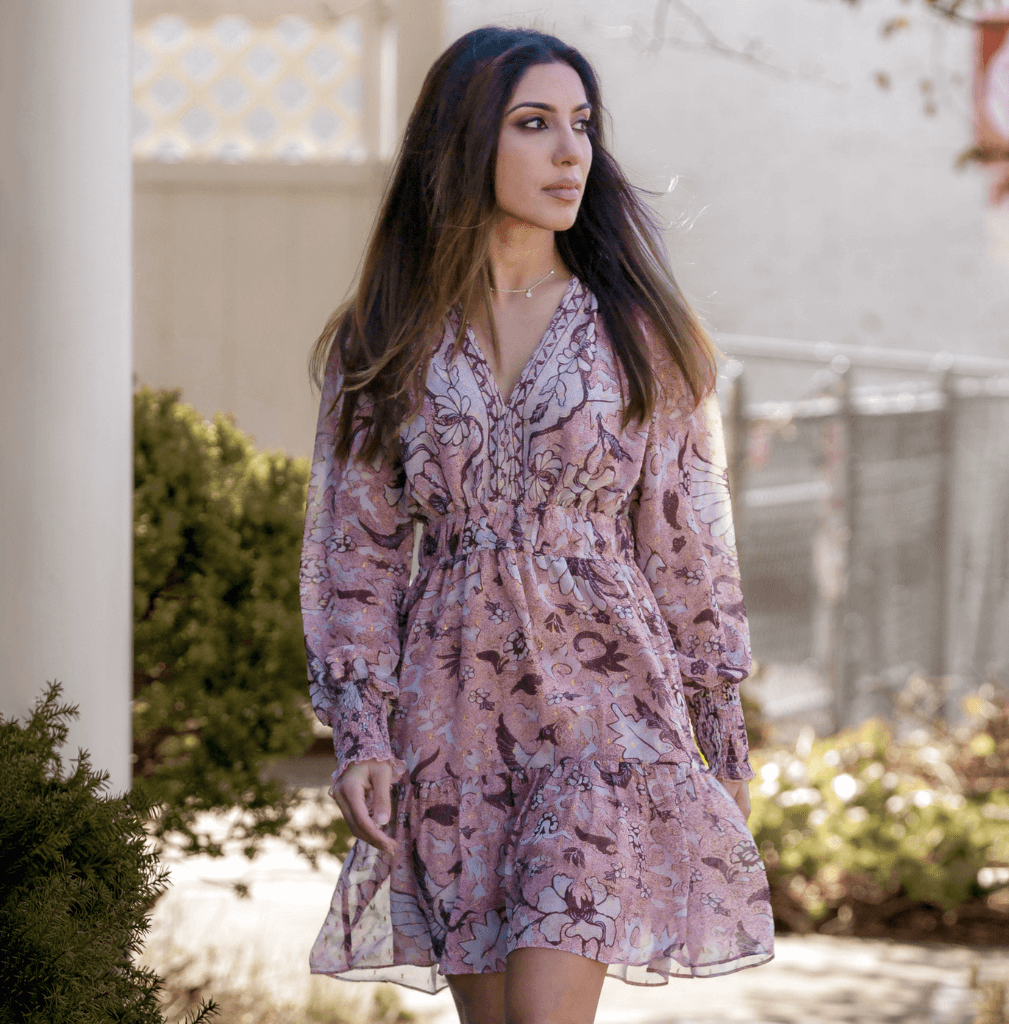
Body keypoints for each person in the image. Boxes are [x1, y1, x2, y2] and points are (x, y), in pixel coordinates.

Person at [301, 24, 774, 1024]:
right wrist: (362, 734)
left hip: (605, 717)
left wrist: (720, 731)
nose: (572, 153)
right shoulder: (385, 337)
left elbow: (686, 541)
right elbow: (357, 553)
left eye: (583, 126)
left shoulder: (638, 331)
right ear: (465, 142)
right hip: (450, 721)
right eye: (535, 124)